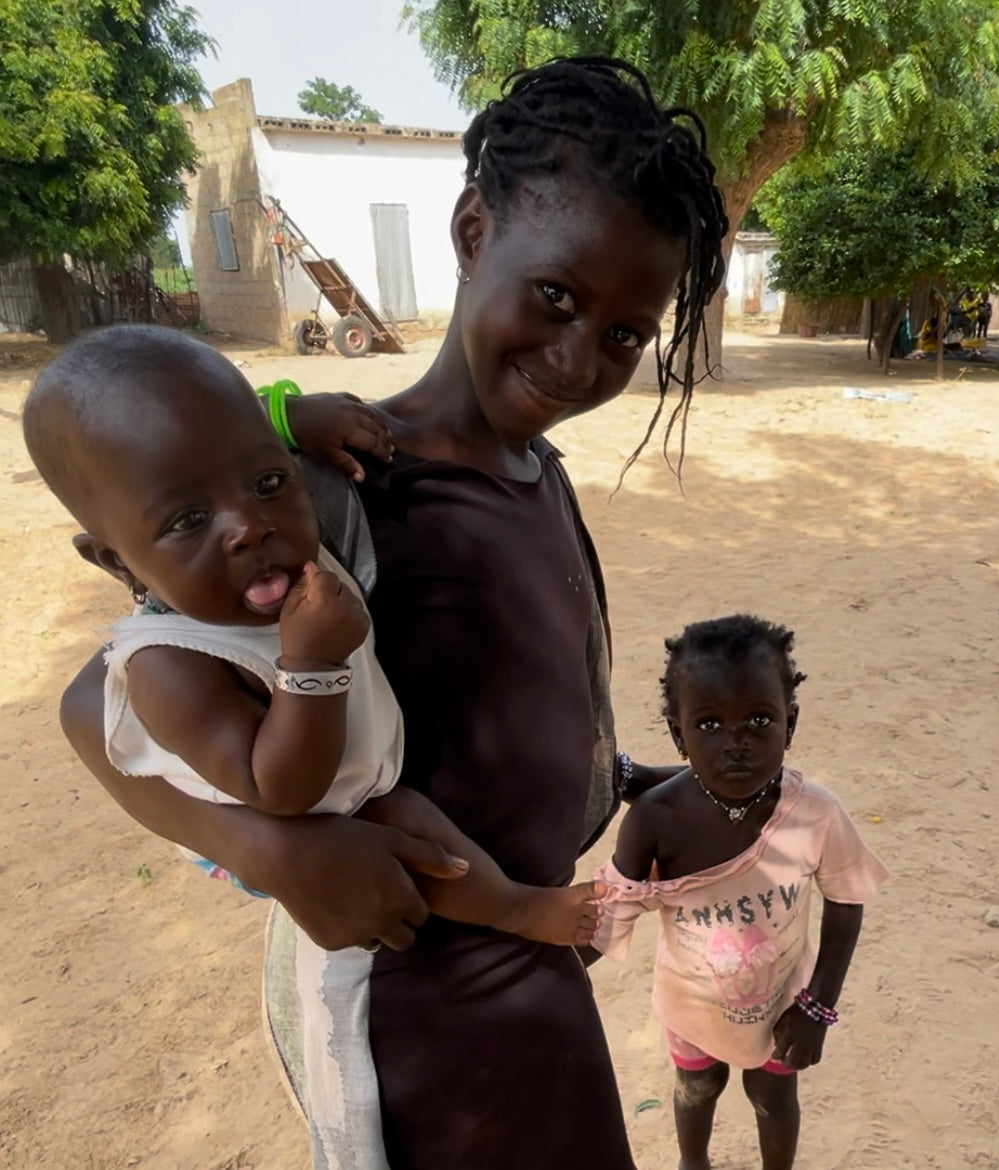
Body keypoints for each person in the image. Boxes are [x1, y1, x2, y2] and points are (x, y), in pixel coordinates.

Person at [55, 56, 728, 1170]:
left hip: (524, 958)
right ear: (473, 232)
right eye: (556, 296)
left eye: (622, 335)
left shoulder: (536, 471)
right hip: (410, 992)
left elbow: (491, 708)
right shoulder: (333, 487)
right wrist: (264, 846)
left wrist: (637, 779)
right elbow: (100, 697)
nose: (576, 357)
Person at [23, 326, 608, 1167]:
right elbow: (281, 790)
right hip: (314, 822)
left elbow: (226, 433)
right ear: (114, 559)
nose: (248, 527)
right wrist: (311, 665)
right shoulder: (171, 664)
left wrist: (297, 417)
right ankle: (522, 909)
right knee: (403, 833)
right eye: (188, 520)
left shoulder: (278, 554)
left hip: (349, 780)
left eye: (270, 483)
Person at [591, 616, 887, 1170]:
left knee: (772, 1098)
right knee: (696, 1090)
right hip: (692, 1006)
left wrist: (818, 1005)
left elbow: (847, 899)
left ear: (790, 724)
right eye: (708, 725)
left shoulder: (815, 813)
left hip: (782, 1004)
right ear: (678, 735)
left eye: (759, 720)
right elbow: (609, 919)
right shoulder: (655, 821)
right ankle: (693, 1163)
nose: (737, 745)